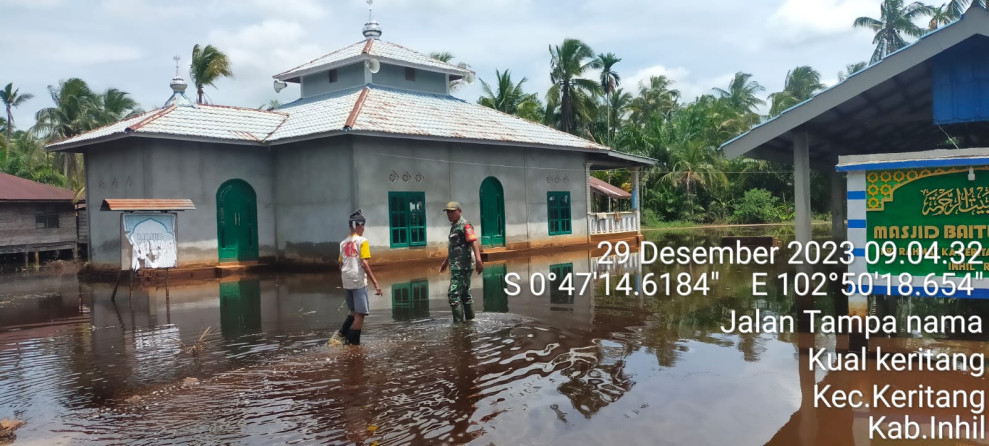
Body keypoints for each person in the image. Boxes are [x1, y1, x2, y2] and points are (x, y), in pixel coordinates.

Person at [336, 210, 382, 345]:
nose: (363, 229)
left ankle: (341, 334)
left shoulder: (343, 243)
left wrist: (346, 276)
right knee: (361, 313)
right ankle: (352, 343)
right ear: (358, 225)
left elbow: (340, 263)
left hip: (346, 278)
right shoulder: (362, 241)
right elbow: (365, 264)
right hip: (358, 278)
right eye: (363, 226)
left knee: (353, 311)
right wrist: (376, 283)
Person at [439, 201, 483, 323]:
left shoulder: (465, 224)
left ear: (459, 211)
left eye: (452, 211)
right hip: (456, 265)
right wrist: (446, 262)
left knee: (453, 293)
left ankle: (458, 326)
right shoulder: (454, 226)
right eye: (448, 212)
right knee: (464, 294)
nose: (450, 214)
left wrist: (479, 260)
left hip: (462, 266)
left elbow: (473, 242)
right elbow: (454, 247)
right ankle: (470, 322)